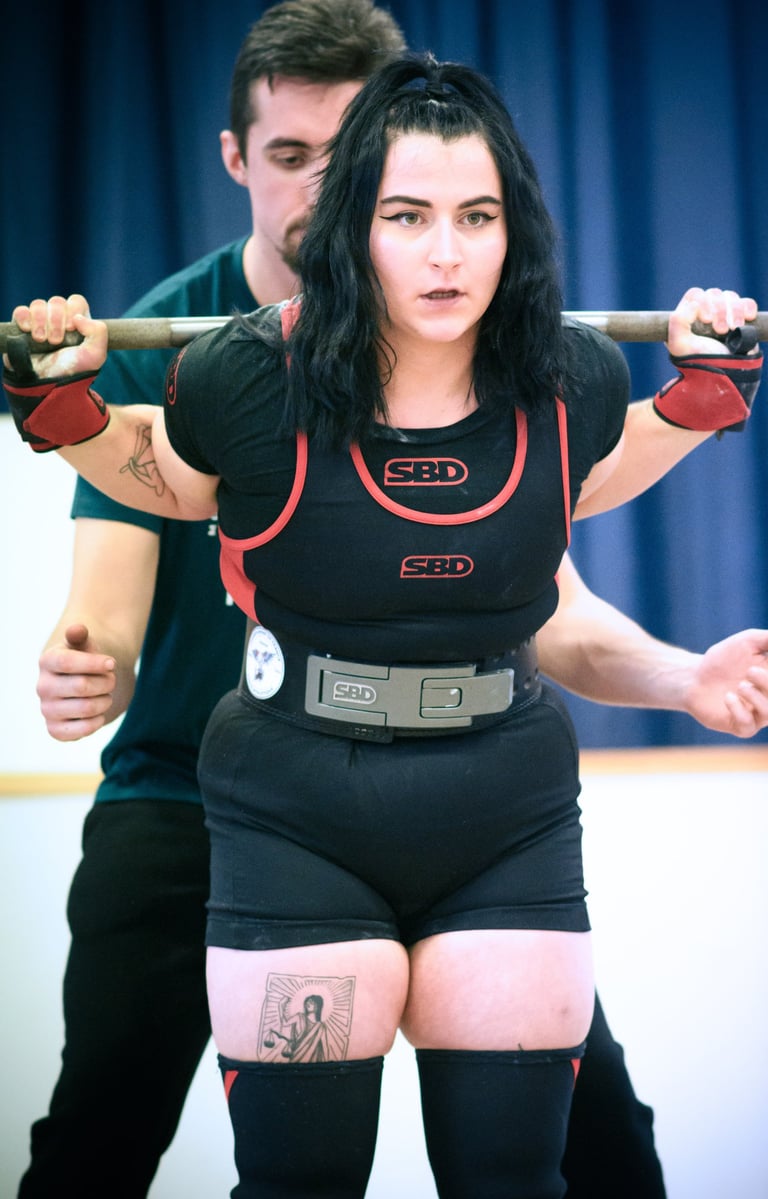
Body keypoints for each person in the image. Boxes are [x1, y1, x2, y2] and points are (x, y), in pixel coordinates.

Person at [4, 51, 764, 1199]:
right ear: (351, 218)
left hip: (501, 805)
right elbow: (158, 478)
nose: (448, 253)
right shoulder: (238, 369)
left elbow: (584, 478)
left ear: (517, 228)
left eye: (477, 216)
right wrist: (59, 407)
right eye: (408, 216)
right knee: (234, 1163)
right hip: (272, 799)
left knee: (552, 1167)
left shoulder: (565, 377)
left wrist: (705, 398)